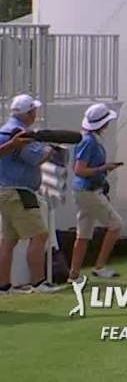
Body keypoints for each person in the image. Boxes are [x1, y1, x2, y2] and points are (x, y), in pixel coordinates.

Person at [0, 94, 60, 293]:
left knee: (8, 241)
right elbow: (35, 158)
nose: (36, 114)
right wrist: (49, 149)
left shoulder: (5, 130)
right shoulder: (19, 132)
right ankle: (38, 282)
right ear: (28, 113)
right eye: (34, 111)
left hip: (6, 192)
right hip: (20, 192)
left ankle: (4, 286)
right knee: (40, 235)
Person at [68, 103, 123, 281]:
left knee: (83, 233)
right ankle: (99, 266)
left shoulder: (87, 139)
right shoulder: (89, 141)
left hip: (83, 190)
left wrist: (103, 169)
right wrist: (103, 168)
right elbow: (80, 169)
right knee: (115, 224)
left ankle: (74, 274)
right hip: (88, 190)